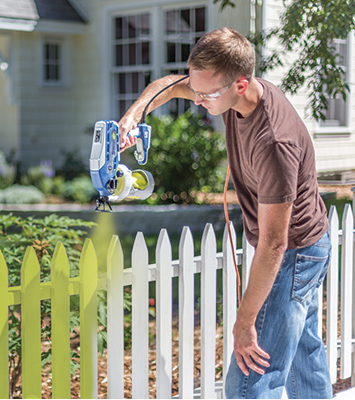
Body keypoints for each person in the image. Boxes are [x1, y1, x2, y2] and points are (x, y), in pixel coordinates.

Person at [119, 27, 332, 399]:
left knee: (252, 380)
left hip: (295, 252)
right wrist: (135, 114)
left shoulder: (274, 143)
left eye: (206, 94)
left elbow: (272, 245)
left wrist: (244, 322)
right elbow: (170, 85)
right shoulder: (236, 93)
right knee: (303, 354)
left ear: (240, 83)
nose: (198, 100)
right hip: (310, 243)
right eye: (197, 89)